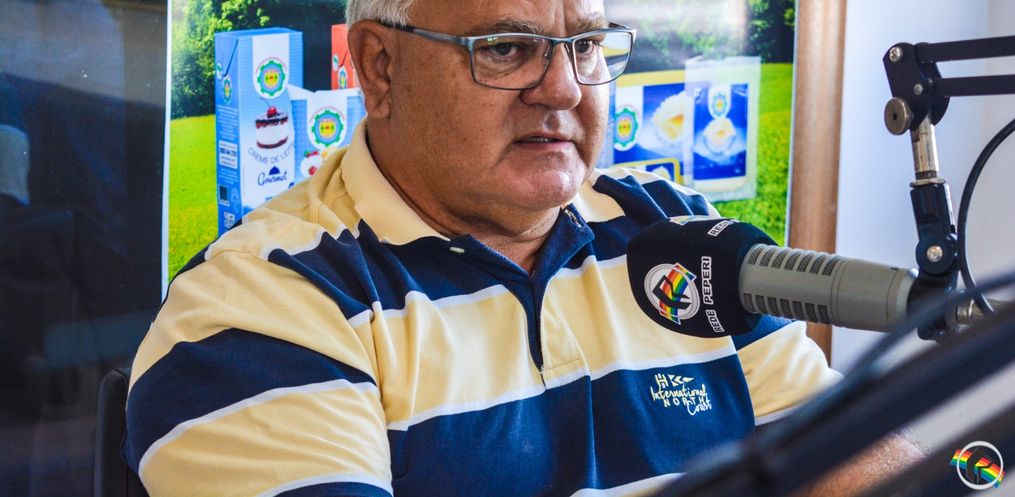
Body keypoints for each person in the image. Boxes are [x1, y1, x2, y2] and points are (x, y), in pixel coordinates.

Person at [124, 0, 920, 495]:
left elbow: (851, 460)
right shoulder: (255, 305)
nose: (564, 87)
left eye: (587, 44)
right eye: (506, 47)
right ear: (379, 66)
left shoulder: (676, 233)